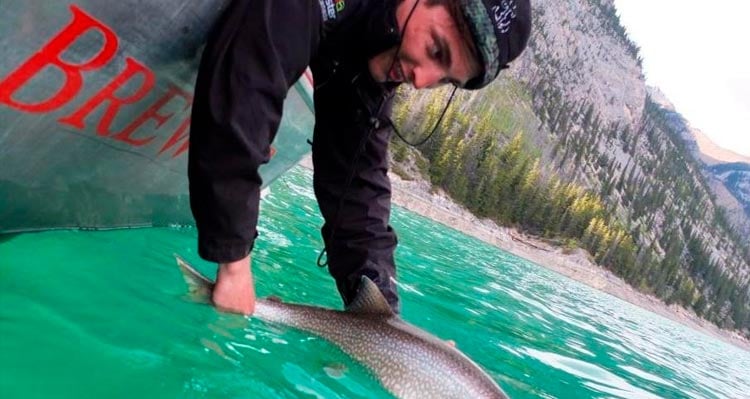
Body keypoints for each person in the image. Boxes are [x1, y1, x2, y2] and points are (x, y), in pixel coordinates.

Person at [188, 0, 531, 315]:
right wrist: (233, 262)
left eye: (445, 80)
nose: (422, 79)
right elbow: (246, 91)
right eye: (435, 49)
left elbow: (357, 192)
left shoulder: (375, 56)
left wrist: (386, 320)